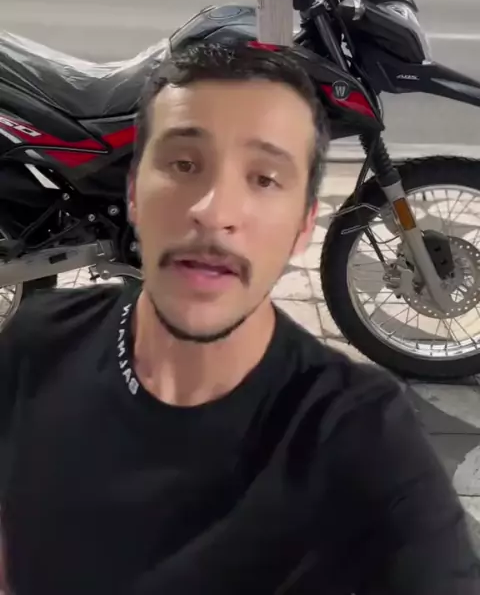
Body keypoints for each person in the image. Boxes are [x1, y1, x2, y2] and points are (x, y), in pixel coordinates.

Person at [0, 41, 478, 595]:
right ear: (132, 193)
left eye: (264, 178)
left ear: (303, 226)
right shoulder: (37, 343)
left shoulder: (365, 443)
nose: (214, 212)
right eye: (184, 164)